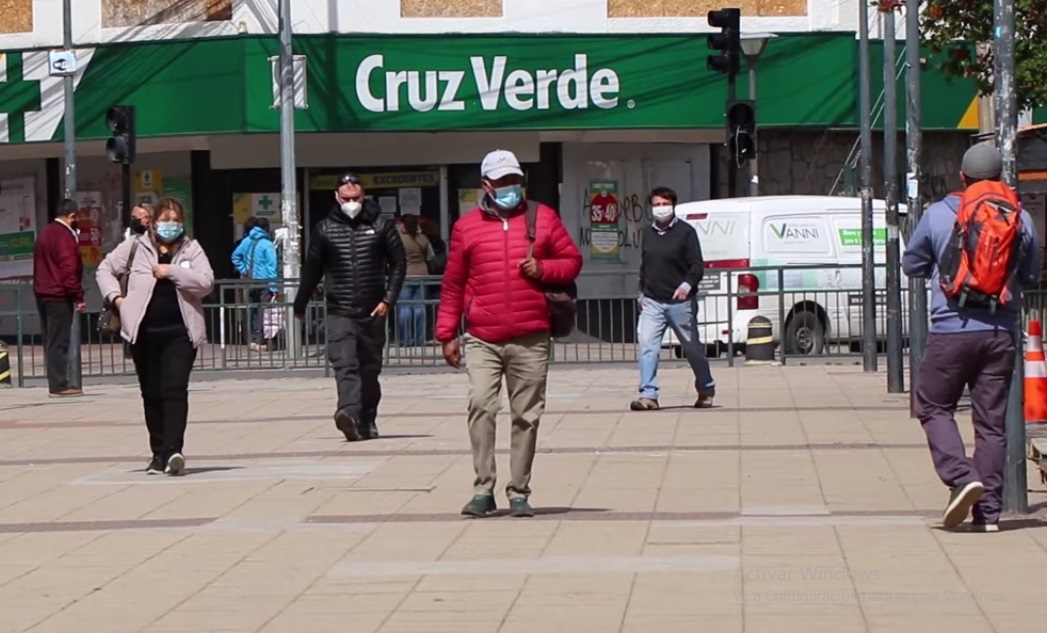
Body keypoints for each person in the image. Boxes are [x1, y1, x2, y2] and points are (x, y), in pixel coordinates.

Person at [436, 149, 582, 518]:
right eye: (502, 182)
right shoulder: (466, 228)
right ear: (485, 185)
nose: (510, 188)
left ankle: (519, 491)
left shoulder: (543, 217)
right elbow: (454, 283)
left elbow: (572, 262)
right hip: (483, 336)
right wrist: (446, 334)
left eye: (514, 180)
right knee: (482, 405)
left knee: (526, 415)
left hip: (531, 335)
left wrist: (544, 269)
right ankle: (483, 489)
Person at [902, 143, 1040, 532]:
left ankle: (962, 477)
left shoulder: (938, 214)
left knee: (932, 405)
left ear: (962, 177)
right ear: (1000, 177)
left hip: (951, 331)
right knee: (991, 424)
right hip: (1000, 333)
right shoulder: (1021, 217)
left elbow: (911, 264)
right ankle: (989, 515)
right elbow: (1030, 274)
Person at [97, 198, 214, 476]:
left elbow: (206, 282)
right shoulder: (136, 247)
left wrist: (172, 271)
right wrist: (117, 300)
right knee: (151, 393)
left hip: (180, 333)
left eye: (175, 220)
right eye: (165, 219)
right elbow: (105, 269)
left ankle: (174, 450)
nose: (170, 225)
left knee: (174, 389)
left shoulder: (191, 249)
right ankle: (158, 453)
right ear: (154, 221)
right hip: (144, 333)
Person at [293, 173, 406, 442]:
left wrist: (388, 299)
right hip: (340, 309)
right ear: (337, 197)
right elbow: (312, 269)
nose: (351, 202)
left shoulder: (381, 225)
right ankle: (348, 412)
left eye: (356, 198)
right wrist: (300, 303)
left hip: (373, 309)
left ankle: (367, 417)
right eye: (346, 198)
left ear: (363, 196)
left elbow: (399, 263)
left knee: (369, 369)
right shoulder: (325, 229)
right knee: (345, 364)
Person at [631, 187, 716, 411]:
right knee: (648, 346)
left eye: (664, 204)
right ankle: (649, 394)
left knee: (691, 348)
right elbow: (645, 265)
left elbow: (697, 265)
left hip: (680, 302)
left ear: (673, 205)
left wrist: (687, 285)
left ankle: (706, 388)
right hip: (652, 301)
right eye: (657, 205)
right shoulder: (647, 233)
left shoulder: (686, 232)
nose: (661, 209)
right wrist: (642, 292)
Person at [32, 198, 85, 398]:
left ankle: (57, 382)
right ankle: (59, 385)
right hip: (58, 295)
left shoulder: (45, 233)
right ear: (72, 216)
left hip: (43, 293)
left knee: (51, 340)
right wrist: (78, 296)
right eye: (77, 217)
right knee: (59, 341)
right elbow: (68, 269)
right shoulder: (64, 237)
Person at [232, 217, 279, 351]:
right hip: (264, 282)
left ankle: (252, 339)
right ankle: (262, 340)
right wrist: (274, 287)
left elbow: (235, 256)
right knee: (265, 312)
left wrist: (244, 269)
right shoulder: (267, 244)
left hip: (249, 281)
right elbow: (272, 267)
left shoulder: (246, 241)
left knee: (251, 310)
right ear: (266, 229)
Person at [397, 213, 435, 347]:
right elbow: (431, 257)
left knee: (405, 309)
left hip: (405, 276)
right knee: (420, 308)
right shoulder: (423, 239)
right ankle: (420, 339)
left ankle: (405, 340)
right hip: (422, 275)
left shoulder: (398, 239)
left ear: (403, 225)